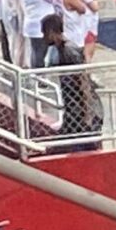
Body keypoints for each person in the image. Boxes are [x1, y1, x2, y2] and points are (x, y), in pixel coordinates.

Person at [41, 13, 103, 149]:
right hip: (73, 107)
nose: (43, 37)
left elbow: (83, 79)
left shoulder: (69, 51)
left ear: (51, 32)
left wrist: (87, 111)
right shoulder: (61, 50)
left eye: (45, 33)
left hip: (80, 109)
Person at [20, 0, 57, 68]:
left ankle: (37, 77)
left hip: (32, 23)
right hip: (39, 25)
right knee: (39, 53)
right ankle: (40, 78)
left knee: (36, 52)